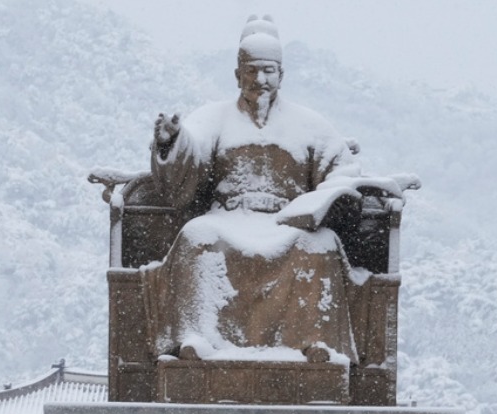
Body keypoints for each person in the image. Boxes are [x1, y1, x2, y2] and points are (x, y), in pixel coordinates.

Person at [142, 15, 372, 364]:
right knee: (196, 235)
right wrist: (172, 141)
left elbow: (342, 170)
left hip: (287, 223)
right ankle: (197, 339)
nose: (260, 80)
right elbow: (190, 154)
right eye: (251, 71)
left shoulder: (310, 124)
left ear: (282, 75)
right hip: (228, 218)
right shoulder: (214, 117)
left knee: (321, 244)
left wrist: (321, 201)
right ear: (238, 74)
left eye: (268, 71)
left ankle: (314, 344)